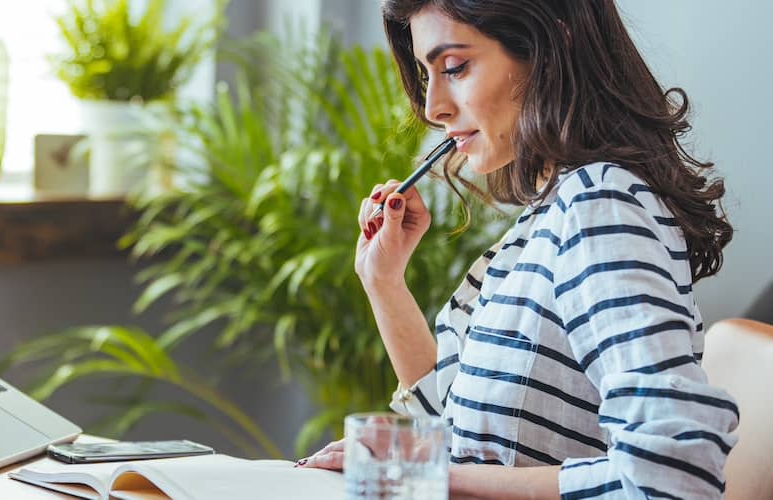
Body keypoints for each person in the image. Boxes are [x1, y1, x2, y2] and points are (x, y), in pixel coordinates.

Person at [298, 1, 738, 499]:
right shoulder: (548, 214)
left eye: (456, 67)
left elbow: (672, 476)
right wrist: (384, 283)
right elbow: (461, 437)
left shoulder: (598, 204)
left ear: (549, 47)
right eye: (429, 74)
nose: (432, 107)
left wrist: (424, 472)